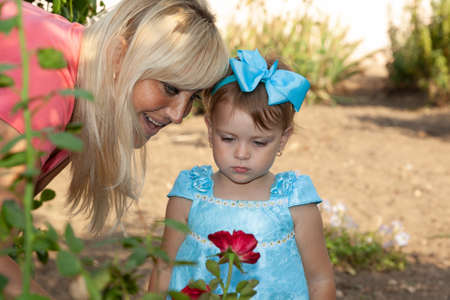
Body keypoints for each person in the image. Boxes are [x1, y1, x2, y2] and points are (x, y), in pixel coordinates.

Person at [0, 0, 228, 297]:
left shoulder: (82, 81)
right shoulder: (46, 90)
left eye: (193, 98)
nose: (178, 115)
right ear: (120, 55)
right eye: (170, 88)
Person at [148, 49, 335, 299]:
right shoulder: (190, 194)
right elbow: (165, 267)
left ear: (283, 139)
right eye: (228, 138)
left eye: (259, 143)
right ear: (210, 129)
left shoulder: (294, 202)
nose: (242, 153)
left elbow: (320, 279)